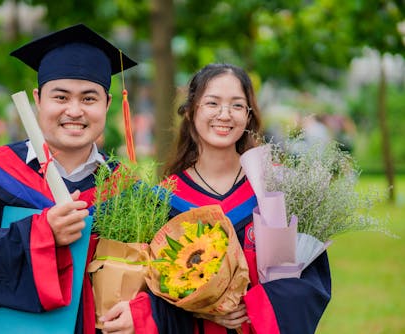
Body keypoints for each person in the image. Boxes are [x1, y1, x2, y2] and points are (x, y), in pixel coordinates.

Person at [0, 23, 143, 334]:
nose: (74, 110)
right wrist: (40, 235)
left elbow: (153, 278)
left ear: (108, 105)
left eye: (89, 99)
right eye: (60, 97)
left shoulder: (127, 191)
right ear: (38, 99)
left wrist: (139, 312)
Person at [126, 63, 331, 333]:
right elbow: (150, 285)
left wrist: (254, 306)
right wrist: (204, 307)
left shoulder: (277, 188)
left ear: (248, 116)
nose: (225, 115)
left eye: (236, 105)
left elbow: (312, 282)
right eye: (212, 103)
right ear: (190, 111)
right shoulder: (165, 199)